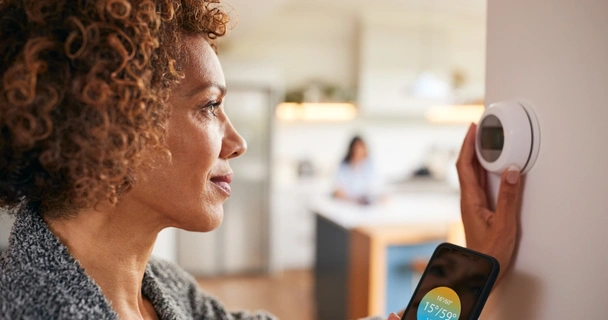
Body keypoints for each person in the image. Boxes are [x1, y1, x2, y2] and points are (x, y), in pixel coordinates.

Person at [0, 1, 522, 319]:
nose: (237, 141)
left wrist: (466, 277)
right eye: (209, 106)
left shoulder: (163, 289)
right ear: (110, 121)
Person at [333, 135, 383, 205]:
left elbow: (375, 186)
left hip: (366, 202)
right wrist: (352, 199)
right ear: (351, 151)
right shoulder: (344, 165)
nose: (358, 153)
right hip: (349, 203)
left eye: (360, 150)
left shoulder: (370, 164)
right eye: (356, 150)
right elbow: (338, 189)